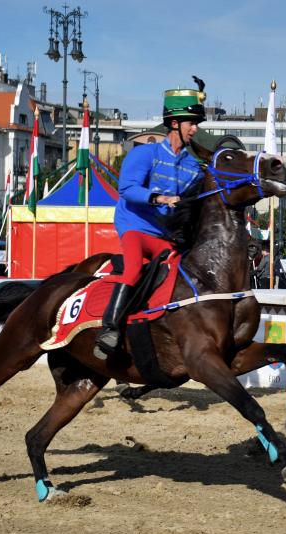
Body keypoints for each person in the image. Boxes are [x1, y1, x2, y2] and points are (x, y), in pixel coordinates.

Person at [93, 82, 207, 359]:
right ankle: (109, 329)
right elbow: (128, 190)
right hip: (134, 226)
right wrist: (162, 199)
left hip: (163, 237)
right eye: (191, 123)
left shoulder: (193, 167)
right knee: (133, 270)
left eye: (196, 124)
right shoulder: (145, 153)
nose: (195, 129)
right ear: (175, 123)